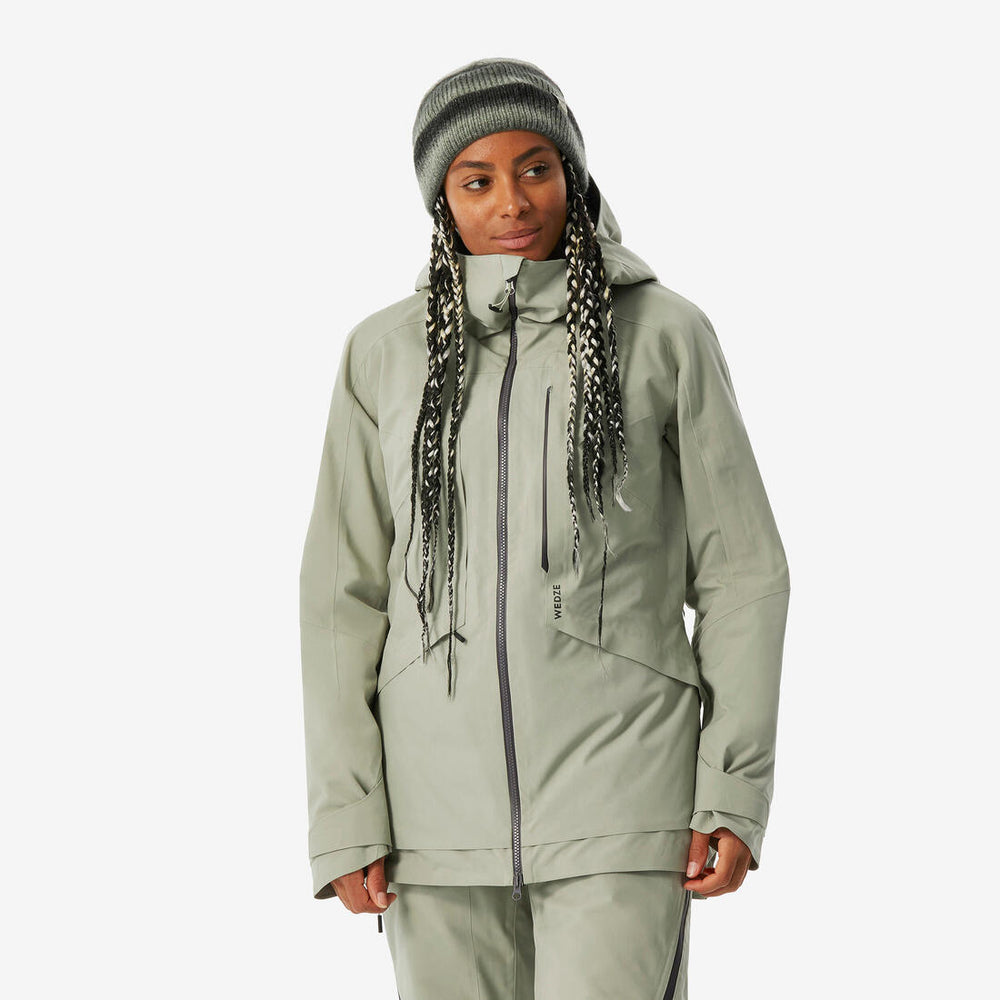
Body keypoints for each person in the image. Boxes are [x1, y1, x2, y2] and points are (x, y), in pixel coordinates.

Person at [298, 57, 791, 999]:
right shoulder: (383, 355)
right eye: (476, 180)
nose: (513, 202)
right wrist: (347, 812)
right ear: (441, 201)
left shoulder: (664, 333)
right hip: (432, 823)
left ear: (573, 170)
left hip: (624, 800)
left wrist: (732, 788)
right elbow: (340, 597)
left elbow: (743, 575)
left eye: (536, 168)